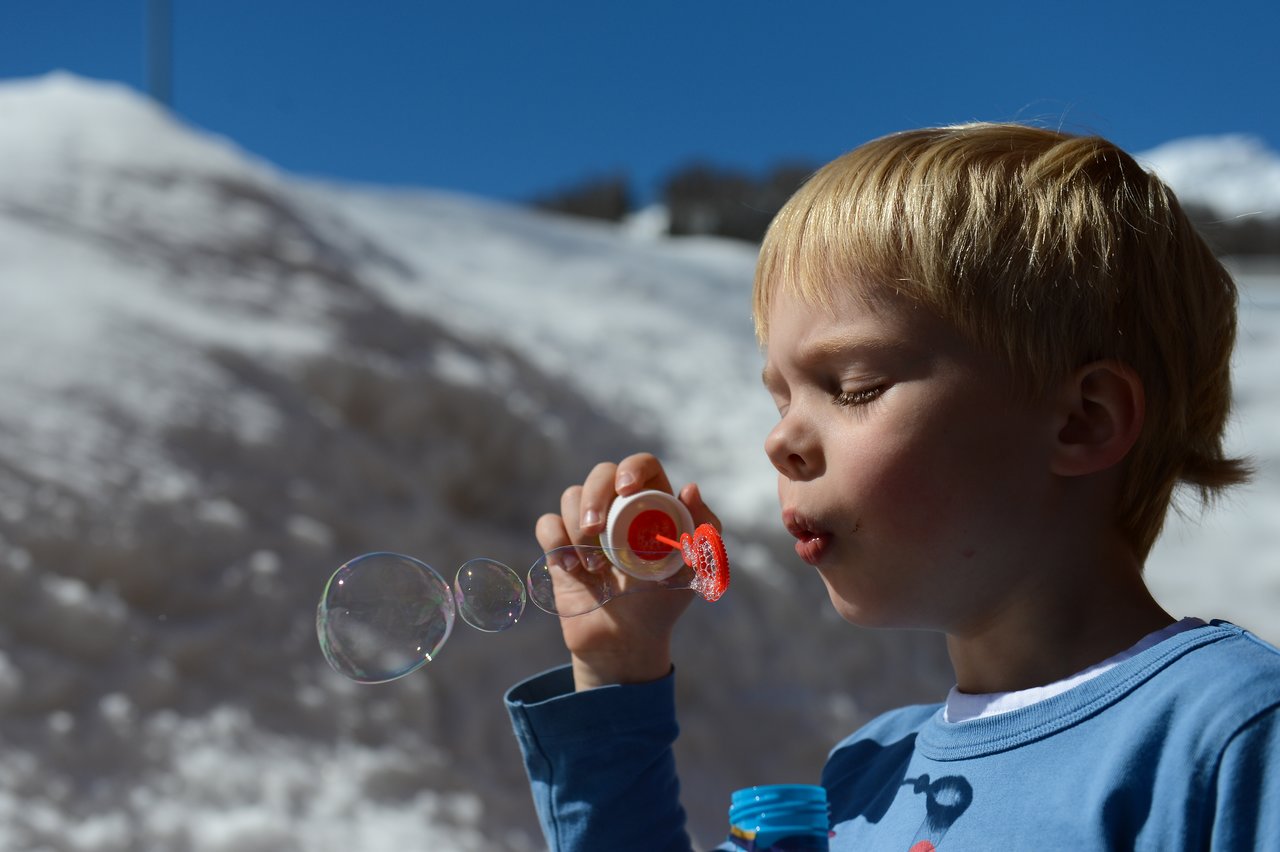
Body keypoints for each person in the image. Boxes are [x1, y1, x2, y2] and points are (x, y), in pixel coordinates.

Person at [504, 123, 1280, 850]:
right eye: (780, 399)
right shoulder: (865, 776)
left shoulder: (1228, 734)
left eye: (852, 385)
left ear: (1082, 420)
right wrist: (618, 670)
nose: (780, 440)